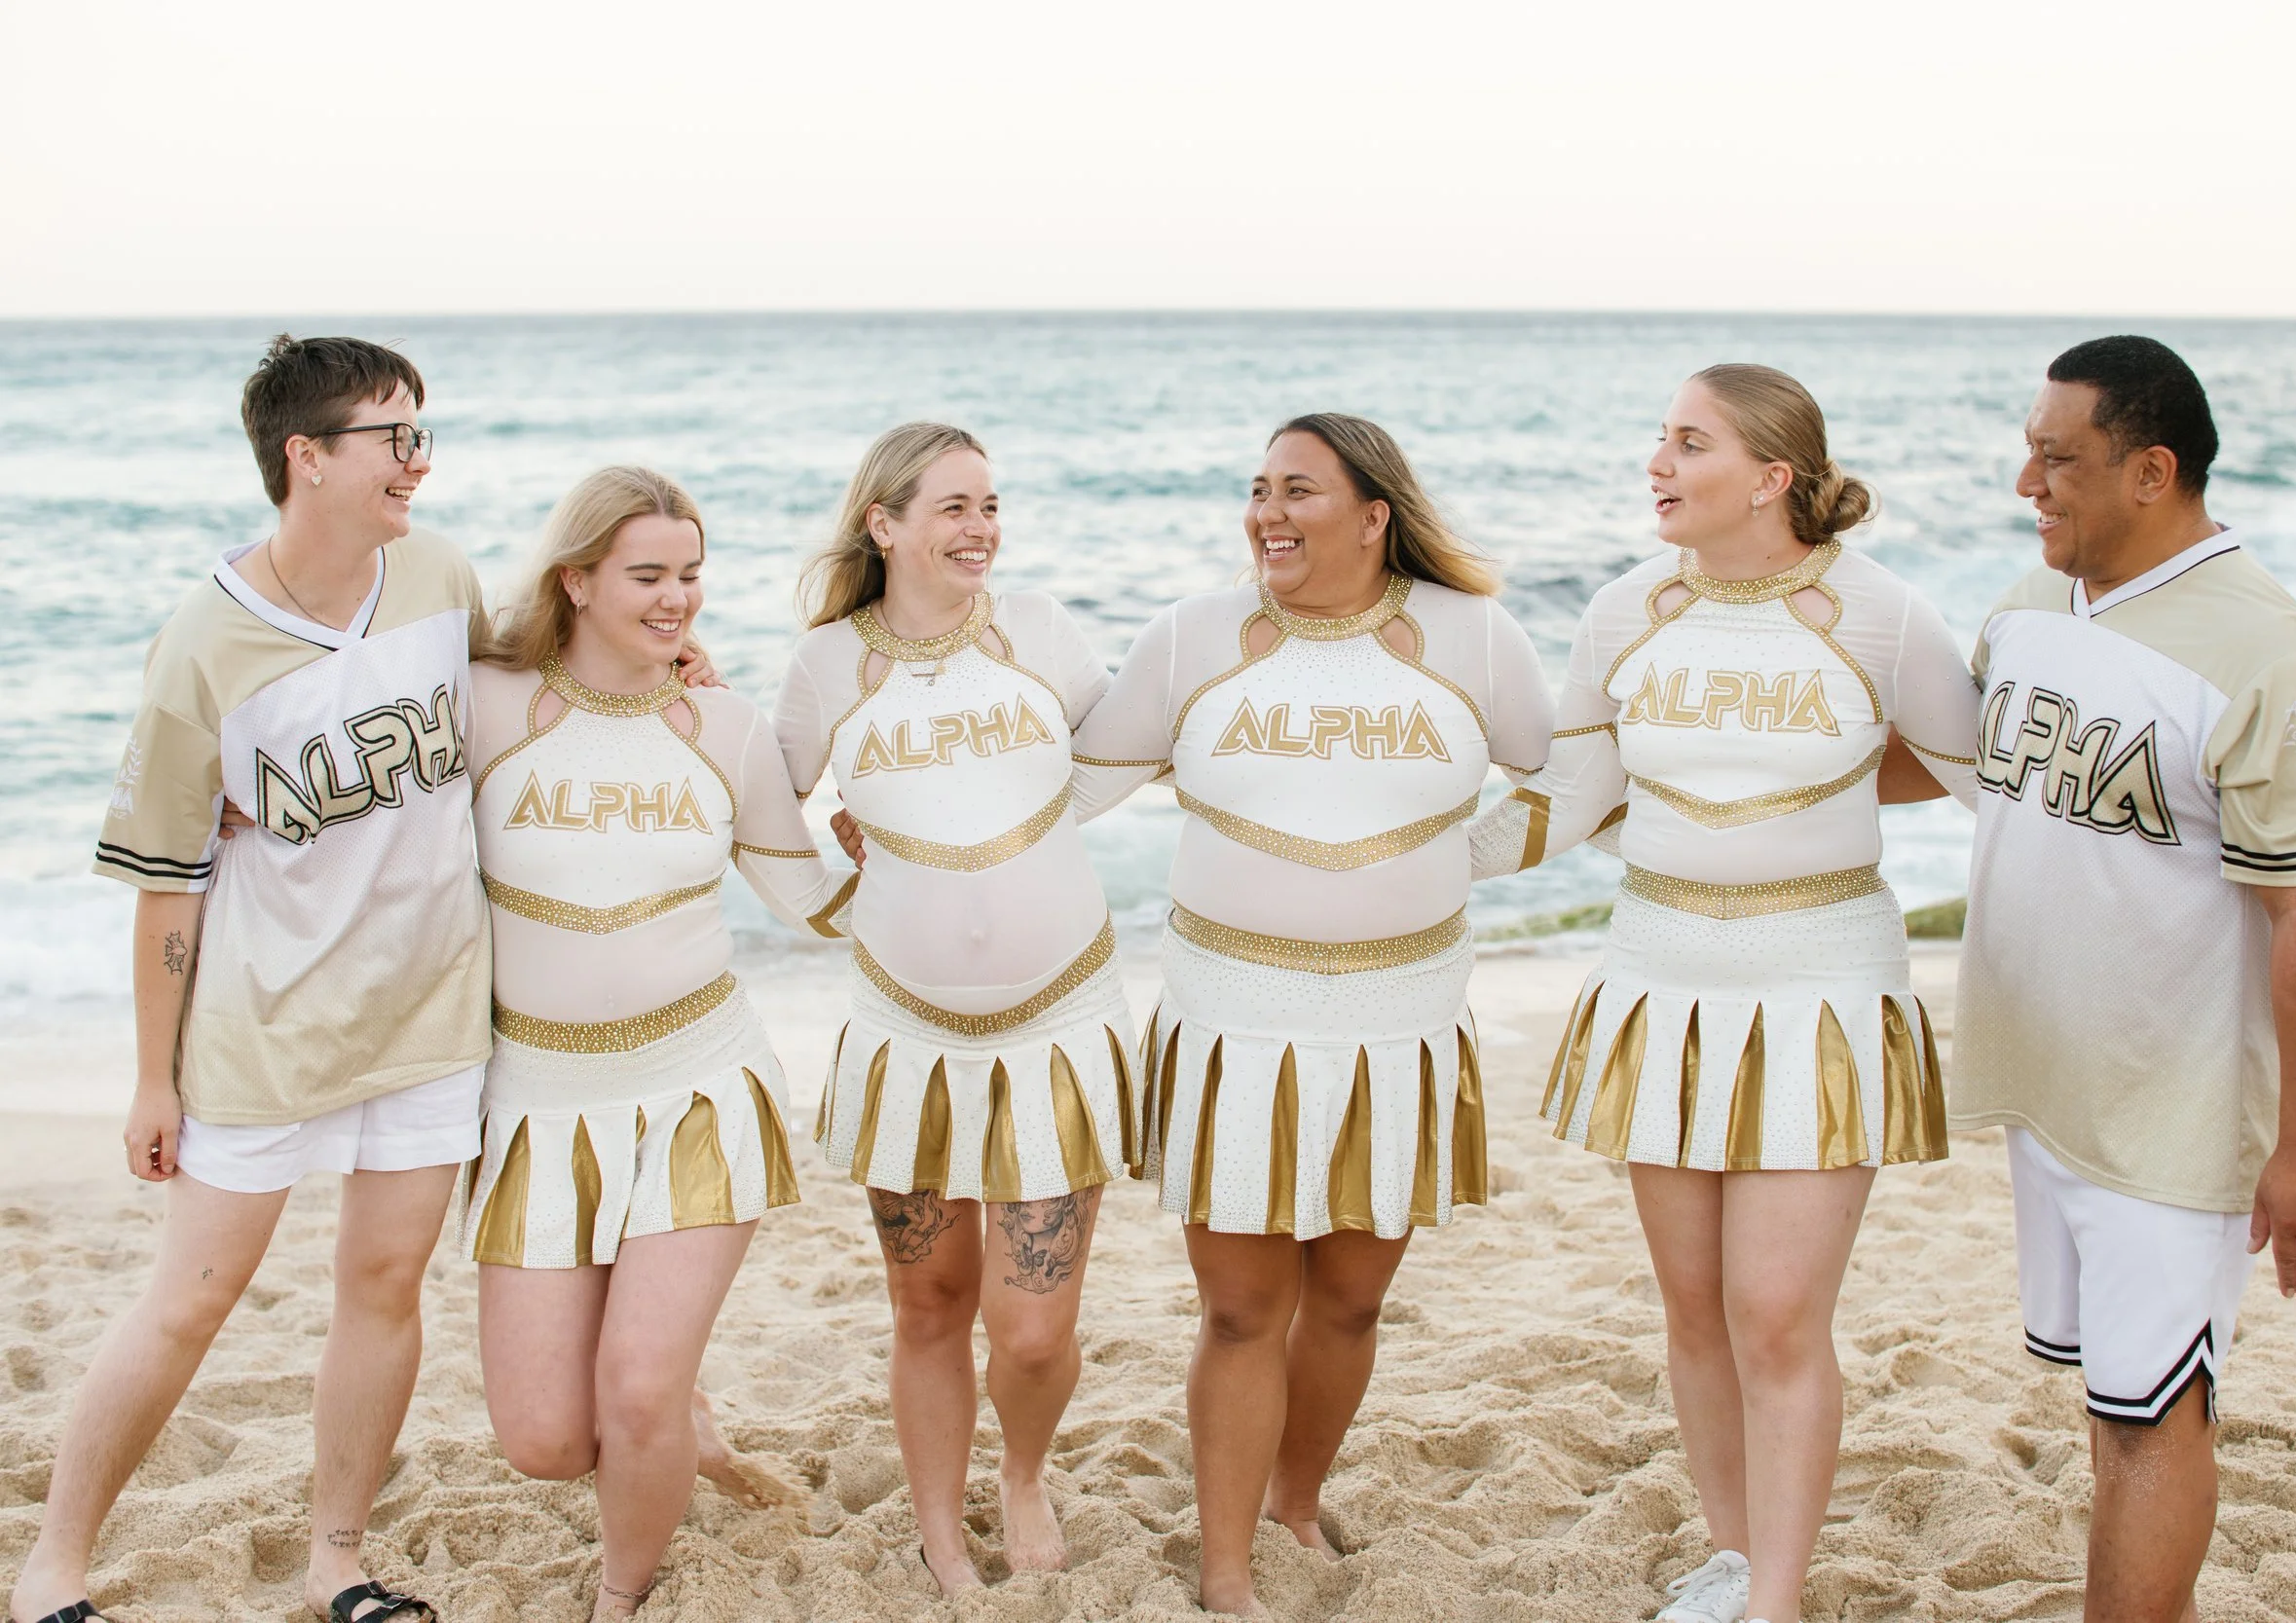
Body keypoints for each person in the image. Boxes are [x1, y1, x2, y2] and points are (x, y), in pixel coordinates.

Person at [1469, 365, 1982, 1623]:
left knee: (1776, 1311)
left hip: (1823, 993)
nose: (1657, 462)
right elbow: (1567, 801)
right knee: (1696, 1308)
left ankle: (1777, 1600)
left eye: (1688, 441)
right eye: (1660, 437)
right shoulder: (1625, 608)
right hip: (1661, 988)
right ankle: (1734, 1553)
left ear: (1770, 477)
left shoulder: (1881, 614)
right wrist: (1406, 854)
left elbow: (1986, 781)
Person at [12, 336, 486, 1623]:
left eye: (422, 432)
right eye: (394, 436)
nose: (419, 460)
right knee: (192, 1298)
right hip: (262, 1032)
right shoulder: (202, 647)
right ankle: (53, 1562)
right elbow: (167, 880)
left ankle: (340, 1558)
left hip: (431, 1013)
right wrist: (150, 1078)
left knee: (383, 1285)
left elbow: (517, 707)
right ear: (306, 455)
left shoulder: (440, 576)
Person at [1067, 413, 1552, 1615]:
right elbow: (1066, 784)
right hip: (1231, 1020)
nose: (1266, 514)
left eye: (1297, 491)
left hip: (1402, 1022)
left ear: (1375, 513)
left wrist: (1453, 859)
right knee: (1241, 1308)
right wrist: (901, 814)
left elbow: (1569, 775)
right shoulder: (1190, 635)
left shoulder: (1471, 634)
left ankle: (1293, 1499)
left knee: (1349, 1298)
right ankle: (1225, 1565)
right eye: (1257, 490)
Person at [1952, 336, 2296, 1622]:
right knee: (2115, 1397)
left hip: (2173, 1108)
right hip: (2048, 1088)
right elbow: (1958, 762)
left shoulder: (2266, 653)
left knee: (2154, 1413)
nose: (2027, 482)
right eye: (2028, 451)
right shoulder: (2031, 600)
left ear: (2151, 470)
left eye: (2057, 459)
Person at [458, 466, 854, 1619]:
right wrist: (238, 807)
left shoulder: (723, 726)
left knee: (632, 1392)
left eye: (690, 574)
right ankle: (686, 1419)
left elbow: (807, 900)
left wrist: (899, 860)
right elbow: (361, 784)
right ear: (575, 579)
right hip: (535, 1103)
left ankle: (621, 1591)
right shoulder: (486, 702)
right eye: (646, 575)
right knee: (544, 1440)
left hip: (699, 1088)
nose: (677, 598)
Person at [772, 424, 1133, 1595]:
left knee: (1032, 1328)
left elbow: (1126, 753)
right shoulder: (827, 663)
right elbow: (755, 809)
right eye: (955, 507)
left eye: (991, 504)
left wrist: (1002, 837)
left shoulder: (1038, 626)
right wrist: (842, 897)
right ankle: (938, 1524)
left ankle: (1022, 1472)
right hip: (906, 1036)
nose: (982, 528)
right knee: (927, 1302)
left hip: (1060, 1025)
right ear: (883, 523)